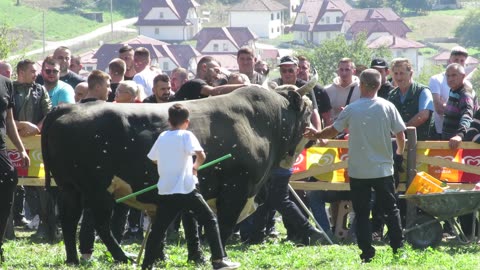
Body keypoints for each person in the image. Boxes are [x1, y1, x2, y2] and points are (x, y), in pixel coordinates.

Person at [304, 68, 406, 263]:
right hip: (383, 169)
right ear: (379, 85)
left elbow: (332, 131)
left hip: (359, 171)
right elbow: (401, 135)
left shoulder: (352, 108)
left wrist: (316, 134)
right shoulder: (387, 106)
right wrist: (399, 154)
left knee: (361, 211)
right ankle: (398, 248)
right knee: (391, 210)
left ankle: (367, 253)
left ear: (360, 86)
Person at [142, 103, 240, 270]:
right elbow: (201, 155)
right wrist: (195, 167)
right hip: (186, 189)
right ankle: (218, 260)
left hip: (166, 189)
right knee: (209, 221)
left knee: (158, 229)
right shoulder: (186, 135)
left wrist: (167, 162)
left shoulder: (163, 136)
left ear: (169, 120)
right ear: (186, 122)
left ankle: (147, 265)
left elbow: (153, 159)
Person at [11, 59, 52, 230]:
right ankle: (13, 220)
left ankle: (41, 219)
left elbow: (49, 112)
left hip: (35, 143)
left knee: (37, 182)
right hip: (12, 141)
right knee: (14, 182)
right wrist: (21, 126)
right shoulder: (9, 88)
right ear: (21, 72)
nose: (37, 75)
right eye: (32, 71)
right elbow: (4, 115)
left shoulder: (40, 89)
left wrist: (36, 128)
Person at [0, 74, 30, 263]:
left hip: (1, 148)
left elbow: (10, 120)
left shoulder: (6, 83)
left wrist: (21, 149)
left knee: (9, 178)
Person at [388, 58, 434, 141]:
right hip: (397, 144)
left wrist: (402, 129)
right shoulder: (392, 95)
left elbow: (423, 115)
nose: (398, 77)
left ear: (411, 74)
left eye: (402, 73)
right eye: (396, 73)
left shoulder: (423, 91)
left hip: (420, 144)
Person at [429, 46, 470, 139]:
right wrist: (456, 108)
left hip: (461, 136)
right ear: (449, 61)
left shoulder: (468, 86)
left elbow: (469, 113)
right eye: (456, 60)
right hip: (441, 132)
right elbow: (438, 109)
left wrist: (446, 105)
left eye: (462, 61)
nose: (459, 63)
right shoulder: (436, 79)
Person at [172, 56, 246, 101]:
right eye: (216, 71)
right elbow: (214, 91)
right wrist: (246, 86)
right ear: (204, 67)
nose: (217, 76)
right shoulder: (195, 83)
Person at [297, 56, 332, 126]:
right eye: (298, 67)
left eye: (304, 68)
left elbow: (327, 119)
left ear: (309, 70)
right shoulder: (289, 88)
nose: (301, 70)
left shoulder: (319, 90)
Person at [325, 58, 361, 123]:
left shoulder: (361, 89)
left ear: (354, 71)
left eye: (347, 70)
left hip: (354, 129)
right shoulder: (327, 90)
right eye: (341, 70)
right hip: (334, 130)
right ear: (338, 71)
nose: (344, 73)